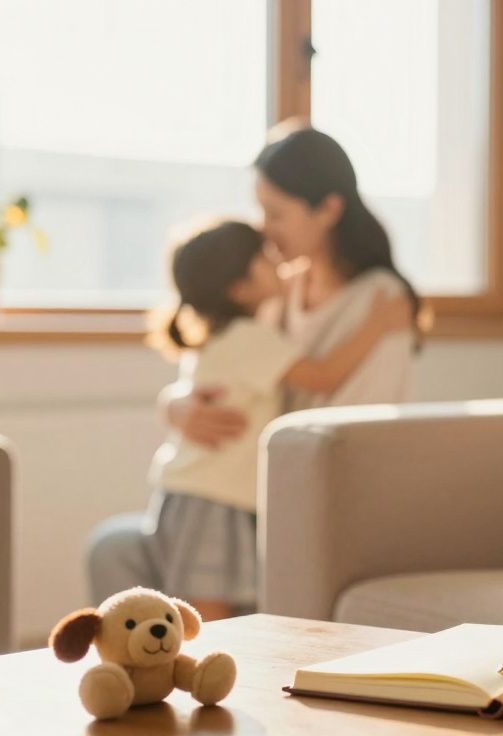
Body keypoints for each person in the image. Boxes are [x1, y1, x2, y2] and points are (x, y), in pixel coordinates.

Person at [88, 124, 420, 612]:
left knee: (193, 598)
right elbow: (220, 368)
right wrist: (175, 406)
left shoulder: (379, 300)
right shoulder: (272, 287)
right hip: (237, 490)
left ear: (328, 209)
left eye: (276, 213)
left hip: (299, 496)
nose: (263, 229)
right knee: (110, 549)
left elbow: (349, 428)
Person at [120, 220, 411, 620]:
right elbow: (323, 375)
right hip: (212, 500)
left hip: (199, 493)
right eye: (262, 257)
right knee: (206, 618)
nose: (274, 256)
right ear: (239, 288)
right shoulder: (249, 339)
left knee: (211, 612)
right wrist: (376, 325)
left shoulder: (229, 334)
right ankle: (200, 681)